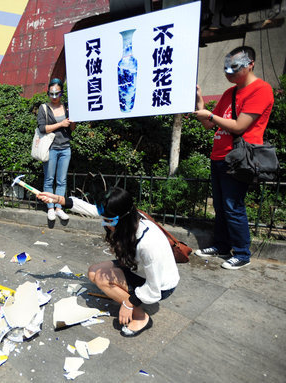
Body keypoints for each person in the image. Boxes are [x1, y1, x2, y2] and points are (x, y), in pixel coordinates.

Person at [38, 187, 179, 337]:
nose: (104, 224)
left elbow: (154, 287)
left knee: (101, 278)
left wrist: (128, 303)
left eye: (108, 221)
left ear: (123, 218)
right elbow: (92, 209)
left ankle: (141, 317)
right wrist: (58, 199)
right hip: (137, 269)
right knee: (93, 272)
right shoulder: (131, 217)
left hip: (161, 285)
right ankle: (124, 293)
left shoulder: (148, 245)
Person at [193, 46, 274, 270]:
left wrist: (210, 115)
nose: (228, 72)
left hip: (239, 158)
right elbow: (210, 124)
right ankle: (221, 245)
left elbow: (240, 126)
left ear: (250, 64)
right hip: (219, 156)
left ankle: (241, 253)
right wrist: (201, 103)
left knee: (232, 206)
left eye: (233, 68)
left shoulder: (261, 90)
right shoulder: (230, 93)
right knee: (220, 205)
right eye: (225, 68)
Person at [38, 78, 76, 222]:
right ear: (48, 93)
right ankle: (50, 208)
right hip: (51, 148)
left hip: (65, 147)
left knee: (62, 180)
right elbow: (43, 128)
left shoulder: (67, 107)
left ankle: (59, 208)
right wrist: (61, 123)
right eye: (51, 94)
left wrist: (73, 122)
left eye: (57, 94)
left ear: (61, 93)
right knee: (49, 179)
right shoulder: (44, 108)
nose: (54, 97)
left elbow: (72, 128)